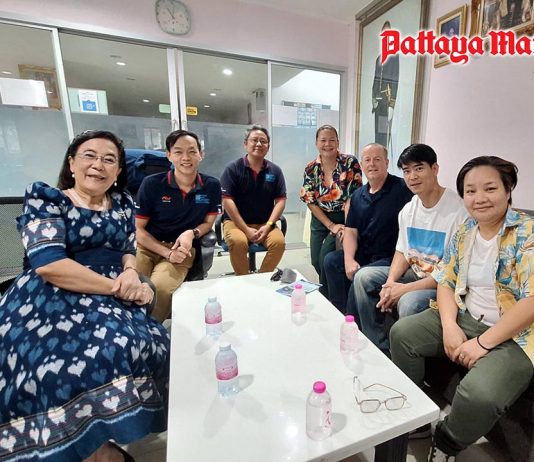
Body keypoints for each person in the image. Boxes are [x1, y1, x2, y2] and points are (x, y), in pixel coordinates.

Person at [0, 130, 169, 462]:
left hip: (113, 288)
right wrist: (117, 287)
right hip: (50, 296)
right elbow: (49, 265)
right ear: (72, 163)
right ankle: (83, 448)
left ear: (118, 171)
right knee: (60, 368)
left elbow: (127, 248)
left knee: (152, 343)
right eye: (89, 155)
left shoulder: (122, 203)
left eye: (109, 159)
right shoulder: (47, 199)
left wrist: (130, 272)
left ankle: (104, 437)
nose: (98, 165)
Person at [390, 156, 534, 462]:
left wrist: (483, 343)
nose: (479, 198)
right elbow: (446, 280)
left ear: (508, 190)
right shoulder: (466, 229)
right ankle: (415, 417)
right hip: (466, 315)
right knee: (403, 333)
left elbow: (531, 300)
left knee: (479, 393)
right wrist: (450, 325)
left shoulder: (527, 232)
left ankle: (446, 442)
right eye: (470, 191)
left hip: (517, 334)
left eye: (490, 188)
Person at [352, 144, 468, 354]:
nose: (412, 176)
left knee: (408, 301)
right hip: (415, 273)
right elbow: (402, 251)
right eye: (406, 171)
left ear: (435, 169)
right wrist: (390, 283)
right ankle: (379, 347)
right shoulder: (409, 209)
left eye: (419, 168)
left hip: (443, 285)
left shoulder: (458, 212)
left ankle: (404, 352)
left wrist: (403, 289)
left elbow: (450, 274)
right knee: (363, 277)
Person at [135, 130, 221, 322]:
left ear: (201, 154)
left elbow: (208, 223)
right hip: (148, 247)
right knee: (134, 285)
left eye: (192, 151)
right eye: (178, 152)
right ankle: (129, 329)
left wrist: (191, 233)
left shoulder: (211, 186)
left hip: (183, 250)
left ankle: (150, 331)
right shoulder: (152, 184)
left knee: (160, 288)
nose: (186, 158)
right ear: (169, 155)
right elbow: (138, 229)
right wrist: (166, 253)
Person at [323, 143, 412, 313]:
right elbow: (351, 230)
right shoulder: (358, 195)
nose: (372, 164)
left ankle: (353, 321)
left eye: (377, 159)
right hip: (365, 253)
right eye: (367, 160)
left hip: (390, 257)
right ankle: (338, 312)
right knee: (332, 261)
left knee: (361, 274)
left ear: (387, 163)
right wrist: (349, 260)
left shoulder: (403, 189)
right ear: (362, 165)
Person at [300, 125, 362, 295]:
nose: (327, 144)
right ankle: (330, 293)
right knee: (315, 261)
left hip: (344, 216)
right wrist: (330, 225)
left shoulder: (349, 163)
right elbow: (309, 200)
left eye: (332, 140)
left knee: (326, 259)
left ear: (338, 142)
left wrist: (348, 228)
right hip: (320, 218)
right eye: (323, 140)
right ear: (316, 143)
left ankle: (330, 298)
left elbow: (352, 198)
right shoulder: (311, 168)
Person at [220, 125, 286, 275]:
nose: (259, 144)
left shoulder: (275, 171)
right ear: (246, 143)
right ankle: (243, 279)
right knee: (238, 242)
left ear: (268, 146)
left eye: (263, 141)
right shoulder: (232, 169)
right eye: (254, 140)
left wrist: (268, 225)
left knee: (279, 243)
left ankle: (262, 276)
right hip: (236, 223)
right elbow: (227, 201)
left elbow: (280, 201)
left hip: (265, 223)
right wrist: (245, 229)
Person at [372, 20, 399, 153]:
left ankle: (382, 158)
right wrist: (373, 99)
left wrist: (391, 105)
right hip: (378, 102)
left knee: (383, 136)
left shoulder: (394, 57)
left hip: (386, 101)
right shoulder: (379, 59)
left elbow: (395, 80)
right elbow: (375, 81)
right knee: (377, 134)